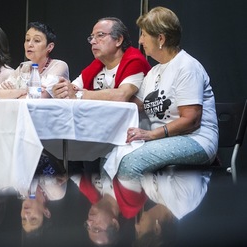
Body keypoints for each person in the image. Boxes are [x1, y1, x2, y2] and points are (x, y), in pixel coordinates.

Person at [116, 6, 218, 180]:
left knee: (130, 162)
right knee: (111, 156)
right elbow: (138, 104)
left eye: (144, 35)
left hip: (195, 140)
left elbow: (191, 120)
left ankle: (137, 208)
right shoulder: (154, 72)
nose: (140, 41)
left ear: (161, 38)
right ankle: (128, 207)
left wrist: (149, 134)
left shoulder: (187, 67)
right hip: (163, 140)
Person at [52, 17, 151, 101]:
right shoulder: (97, 65)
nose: (93, 42)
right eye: (92, 37)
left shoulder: (134, 60)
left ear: (118, 40)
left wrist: (80, 95)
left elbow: (121, 95)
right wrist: (62, 90)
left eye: (100, 35)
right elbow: (72, 89)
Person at [133, 170, 211, 247]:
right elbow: (190, 160)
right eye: (140, 232)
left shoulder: (152, 195)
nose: (136, 226)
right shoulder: (183, 199)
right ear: (157, 229)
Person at [71, 168, 147, 246]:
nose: (89, 222)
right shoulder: (130, 202)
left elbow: (69, 170)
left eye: (88, 226)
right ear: (114, 224)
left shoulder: (94, 196)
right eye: (96, 229)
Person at [0, 21, 69, 99]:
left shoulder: (58, 66)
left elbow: (38, 97)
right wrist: (23, 91)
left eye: (36, 40)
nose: (29, 44)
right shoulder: (23, 67)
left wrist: (11, 94)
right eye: (27, 39)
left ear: (50, 47)